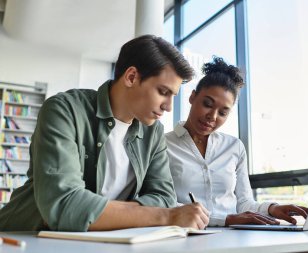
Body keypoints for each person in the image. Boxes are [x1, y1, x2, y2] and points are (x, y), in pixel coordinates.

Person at [0, 35, 209, 231]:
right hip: (24, 237)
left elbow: (163, 196)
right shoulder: (64, 110)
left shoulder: (153, 132)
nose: (169, 107)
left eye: (173, 95)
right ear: (131, 76)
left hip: (97, 242)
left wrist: (98, 212)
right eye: (163, 92)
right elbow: (64, 204)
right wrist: (166, 217)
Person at [165, 57, 308, 227]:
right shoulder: (163, 145)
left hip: (233, 236)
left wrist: (272, 209)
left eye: (223, 112)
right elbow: (164, 204)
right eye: (207, 104)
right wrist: (225, 220)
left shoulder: (234, 147)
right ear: (192, 97)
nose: (213, 116)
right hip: (185, 237)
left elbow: (244, 203)